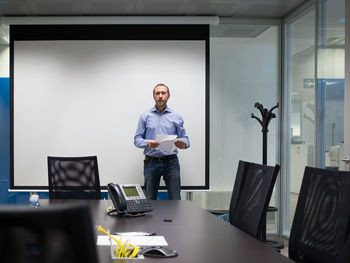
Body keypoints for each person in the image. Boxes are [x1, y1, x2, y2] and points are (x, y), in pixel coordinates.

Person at [134, 83, 190, 200]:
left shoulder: (176, 116)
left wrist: (183, 144)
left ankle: (176, 219)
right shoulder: (145, 116)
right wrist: (148, 143)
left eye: (163, 93)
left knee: (175, 199)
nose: (160, 96)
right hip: (151, 162)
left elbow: (185, 139)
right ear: (153, 96)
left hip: (171, 163)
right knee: (150, 200)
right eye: (157, 93)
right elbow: (137, 140)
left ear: (168, 96)